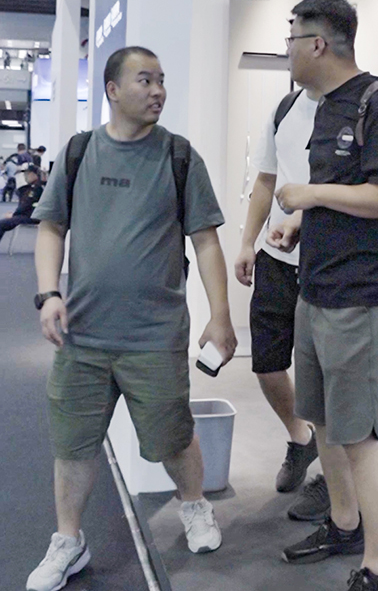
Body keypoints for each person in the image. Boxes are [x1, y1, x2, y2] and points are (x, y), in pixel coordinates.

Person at [27, 46, 237, 591]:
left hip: (155, 336)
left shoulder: (179, 156)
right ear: (113, 90)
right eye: (145, 80)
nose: (158, 90)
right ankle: (68, 541)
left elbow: (206, 242)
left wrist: (220, 316)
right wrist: (49, 294)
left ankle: (194, 505)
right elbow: (51, 227)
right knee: (74, 444)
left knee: (172, 437)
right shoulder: (79, 153)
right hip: (82, 336)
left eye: (161, 80)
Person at [270, 0, 378, 591]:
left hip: (365, 296)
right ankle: (344, 522)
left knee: (360, 435)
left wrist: (308, 197)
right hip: (319, 288)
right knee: (326, 422)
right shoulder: (324, 107)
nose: (286, 51)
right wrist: (301, 220)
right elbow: (345, 191)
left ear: (317, 44)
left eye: (290, 39)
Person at [234, 85, 321, 498]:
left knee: (326, 374)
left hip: (329, 263)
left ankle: (337, 483)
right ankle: (302, 438)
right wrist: (246, 242)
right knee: (267, 362)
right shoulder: (285, 108)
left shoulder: (358, 106)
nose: (290, 55)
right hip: (275, 258)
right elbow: (266, 179)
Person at [0, 163, 43, 241]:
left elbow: (26, 205)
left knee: (2, 224)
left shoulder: (36, 189)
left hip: (31, 217)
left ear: (33, 174)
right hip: (29, 215)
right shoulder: (32, 187)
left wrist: (13, 215)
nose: (25, 176)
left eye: (27, 174)